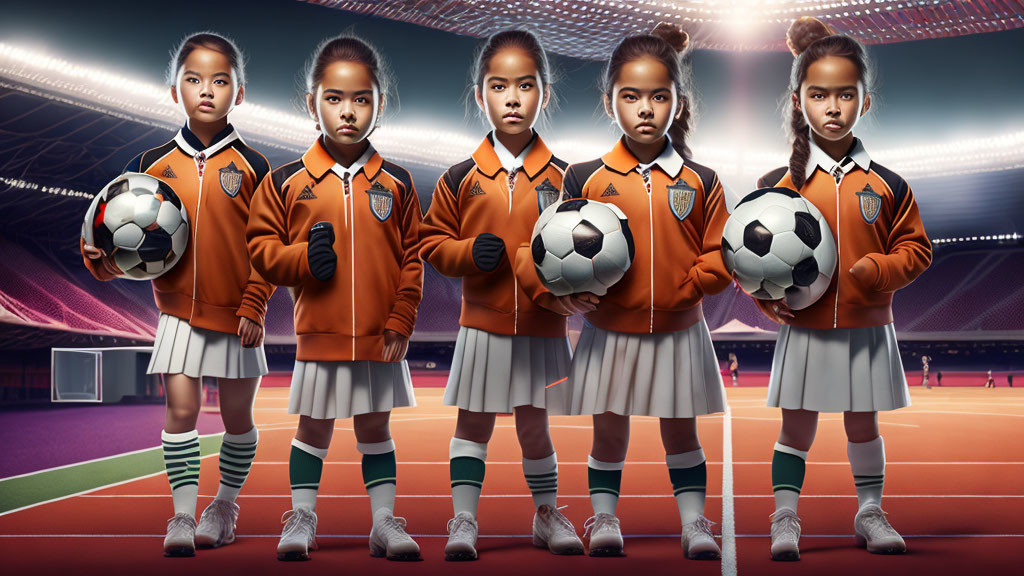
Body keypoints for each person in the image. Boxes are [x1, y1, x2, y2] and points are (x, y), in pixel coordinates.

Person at [517, 22, 731, 560]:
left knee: (682, 436)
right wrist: (558, 296)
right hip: (609, 332)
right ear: (608, 99)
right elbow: (539, 250)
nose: (644, 108)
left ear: (677, 103)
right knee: (608, 436)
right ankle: (604, 518)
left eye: (659, 96)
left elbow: (721, 253)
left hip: (681, 331)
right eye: (630, 96)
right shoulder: (584, 177)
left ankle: (694, 524)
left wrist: (692, 286)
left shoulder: (702, 179)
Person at [82, 32, 273, 557]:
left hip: (238, 317)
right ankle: (184, 516)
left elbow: (266, 248)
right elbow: (118, 243)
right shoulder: (149, 163)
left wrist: (256, 302)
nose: (206, 91)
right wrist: (100, 266)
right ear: (175, 92)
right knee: (182, 412)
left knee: (237, 420)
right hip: (178, 317)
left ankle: (225, 504)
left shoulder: (257, 167)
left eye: (219, 81)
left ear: (240, 91)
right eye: (193, 80)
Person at [754, 17, 931, 560]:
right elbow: (747, 256)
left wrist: (878, 270)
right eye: (819, 94)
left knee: (862, 425)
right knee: (796, 430)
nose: (833, 107)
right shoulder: (775, 187)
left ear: (865, 102)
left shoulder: (889, 185)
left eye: (845, 95)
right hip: (806, 326)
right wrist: (765, 298)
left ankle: (869, 512)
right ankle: (785, 518)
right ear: (798, 101)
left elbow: (917, 251)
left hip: (865, 325)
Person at [246, 35, 424, 562]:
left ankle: (384, 523)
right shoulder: (284, 181)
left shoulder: (397, 182)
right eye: (335, 99)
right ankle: (301, 518)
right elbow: (260, 250)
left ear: (379, 104)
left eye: (361, 99)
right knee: (313, 428)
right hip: (319, 332)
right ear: (312, 102)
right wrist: (302, 262)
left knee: (375, 427)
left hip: (379, 333)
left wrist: (402, 316)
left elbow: (411, 256)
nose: (348, 111)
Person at [419, 29, 584, 561]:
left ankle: (546, 515)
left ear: (544, 93)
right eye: (498, 86)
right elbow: (431, 242)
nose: (512, 98)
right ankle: (463, 520)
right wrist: (467, 253)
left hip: (542, 325)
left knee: (535, 428)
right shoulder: (458, 177)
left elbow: (584, 247)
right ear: (479, 95)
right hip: (482, 324)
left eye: (526, 85)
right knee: (474, 425)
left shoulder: (565, 178)